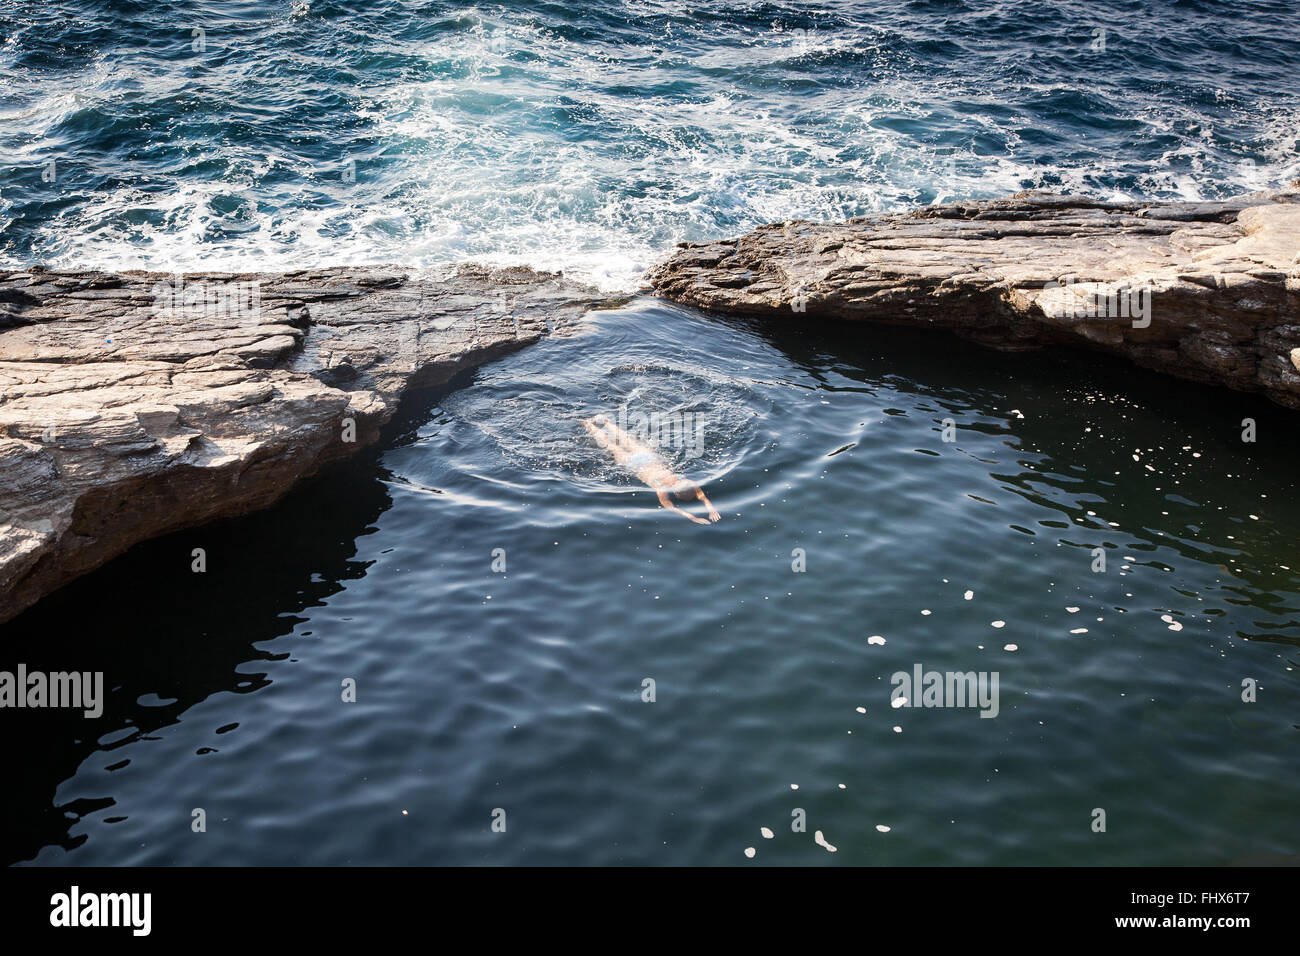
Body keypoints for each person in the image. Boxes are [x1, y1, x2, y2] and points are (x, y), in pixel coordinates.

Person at [582, 414, 720, 525]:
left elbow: (701, 496)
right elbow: (671, 507)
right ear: (676, 494)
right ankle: (588, 424)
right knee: (611, 446)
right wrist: (692, 517)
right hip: (633, 464)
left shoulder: (682, 479)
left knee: (626, 439)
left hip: (649, 458)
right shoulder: (661, 489)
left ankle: (605, 422)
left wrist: (711, 510)